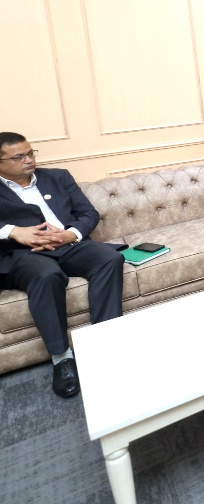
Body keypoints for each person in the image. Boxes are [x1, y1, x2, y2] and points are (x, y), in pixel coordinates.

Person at [0, 132, 124, 398]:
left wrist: (72, 234)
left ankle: (104, 342)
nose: (29, 160)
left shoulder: (58, 177)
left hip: (67, 244)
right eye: (18, 157)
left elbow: (88, 213)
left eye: (30, 153)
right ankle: (61, 357)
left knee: (109, 258)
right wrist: (13, 231)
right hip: (23, 254)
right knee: (47, 275)